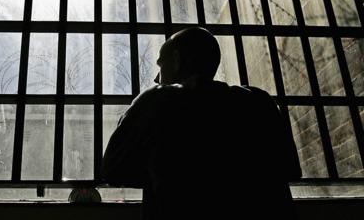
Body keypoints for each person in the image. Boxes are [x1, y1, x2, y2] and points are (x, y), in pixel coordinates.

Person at [101, 27, 302, 220]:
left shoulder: (157, 101)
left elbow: (112, 169)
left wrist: (164, 172)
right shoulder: (259, 101)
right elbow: (291, 168)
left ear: (178, 60)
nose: (156, 77)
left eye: (161, 65)